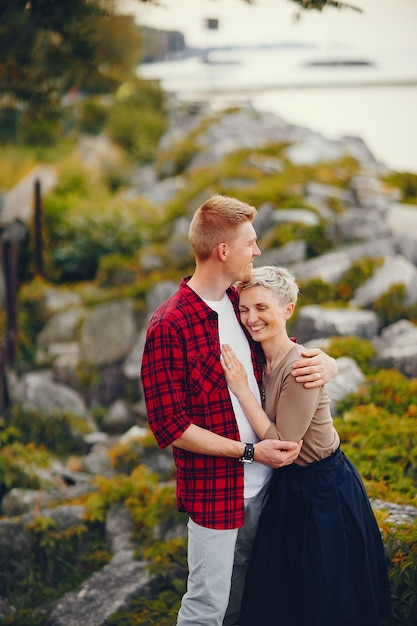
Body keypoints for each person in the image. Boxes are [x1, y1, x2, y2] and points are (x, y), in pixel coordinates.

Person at [140, 195, 338, 626]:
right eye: (251, 242)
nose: (258, 250)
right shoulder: (169, 325)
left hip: (273, 487)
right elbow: (170, 427)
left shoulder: (238, 302)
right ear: (223, 251)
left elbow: (280, 349)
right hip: (216, 492)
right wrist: (249, 453)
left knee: (256, 599)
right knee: (206, 607)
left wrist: (327, 362)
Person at [220, 265, 391, 626]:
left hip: (323, 491)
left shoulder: (301, 367)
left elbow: (284, 446)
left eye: (262, 308)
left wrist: (242, 391)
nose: (251, 318)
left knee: (326, 595)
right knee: (286, 594)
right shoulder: (258, 358)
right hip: (289, 490)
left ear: (288, 310)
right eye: (245, 309)